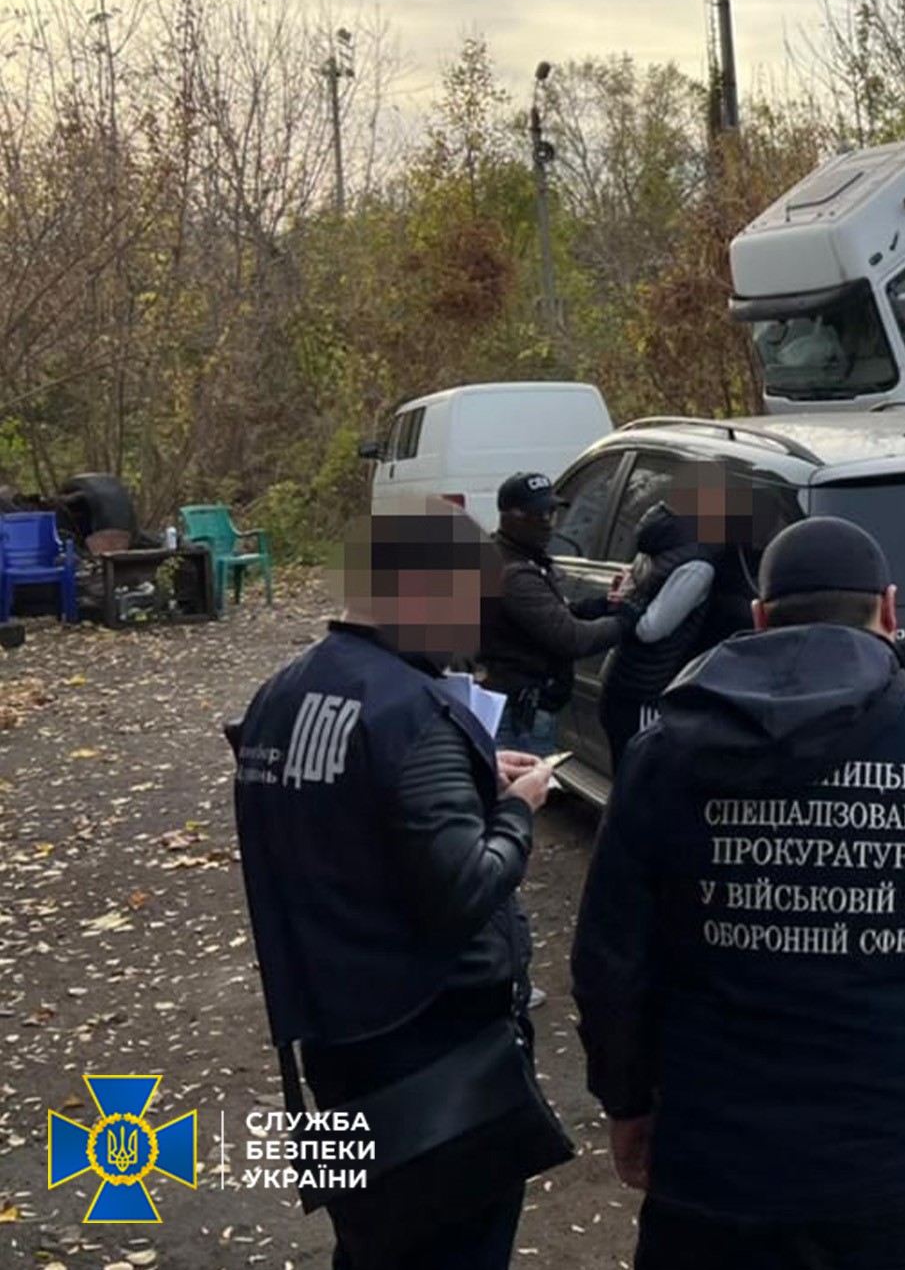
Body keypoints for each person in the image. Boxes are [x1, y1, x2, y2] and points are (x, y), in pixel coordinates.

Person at [571, 515, 905, 1270]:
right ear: (890, 612)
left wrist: (627, 1101)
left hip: (718, 1176)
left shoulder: (665, 757)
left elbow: (611, 960)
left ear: (760, 619)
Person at [226, 497, 569, 1270]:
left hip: (332, 1030)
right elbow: (464, 891)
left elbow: (345, 803)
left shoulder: (282, 692)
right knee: (450, 1247)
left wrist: (468, 773)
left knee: (372, 1239)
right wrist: (517, 810)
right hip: (437, 1052)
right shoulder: (413, 710)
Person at [477, 471, 630, 756]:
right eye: (537, 515)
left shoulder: (518, 559)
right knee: (522, 783)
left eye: (551, 513)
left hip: (519, 711)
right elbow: (571, 638)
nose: (547, 522)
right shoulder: (514, 574)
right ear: (511, 516)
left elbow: (552, 615)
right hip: (519, 719)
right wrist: (627, 621)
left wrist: (603, 605)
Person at [597, 502, 718, 770]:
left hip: (623, 679)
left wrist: (625, 598)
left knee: (627, 769)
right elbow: (649, 629)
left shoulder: (660, 547)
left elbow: (637, 608)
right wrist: (625, 600)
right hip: (644, 691)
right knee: (638, 772)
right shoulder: (694, 565)